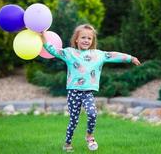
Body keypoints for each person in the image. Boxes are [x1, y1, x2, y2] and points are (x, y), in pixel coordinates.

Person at [42, 24, 141, 152]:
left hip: (87, 92)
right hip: (73, 92)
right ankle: (67, 143)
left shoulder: (98, 55)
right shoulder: (69, 53)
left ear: (92, 41)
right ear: (76, 39)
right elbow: (52, 50)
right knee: (73, 120)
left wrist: (131, 58)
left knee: (92, 113)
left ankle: (89, 136)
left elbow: (114, 55)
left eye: (89, 38)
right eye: (83, 37)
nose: (86, 40)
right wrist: (43, 34)